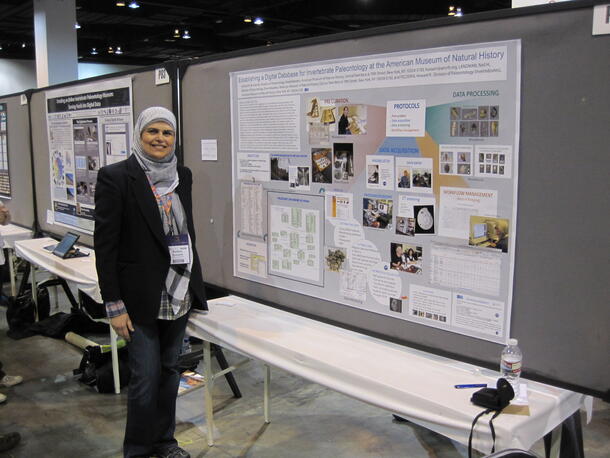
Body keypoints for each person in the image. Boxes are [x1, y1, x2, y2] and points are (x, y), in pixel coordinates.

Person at [94, 107, 208, 458]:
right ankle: (138, 450)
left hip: (179, 290)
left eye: (167, 133)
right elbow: (106, 245)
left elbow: (185, 232)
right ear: (139, 135)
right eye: (152, 132)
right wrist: (114, 305)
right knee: (145, 378)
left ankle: (164, 441)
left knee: (171, 370)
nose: (160, 139)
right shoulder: (116, 177)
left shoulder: (182, 175)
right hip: (139, 297)